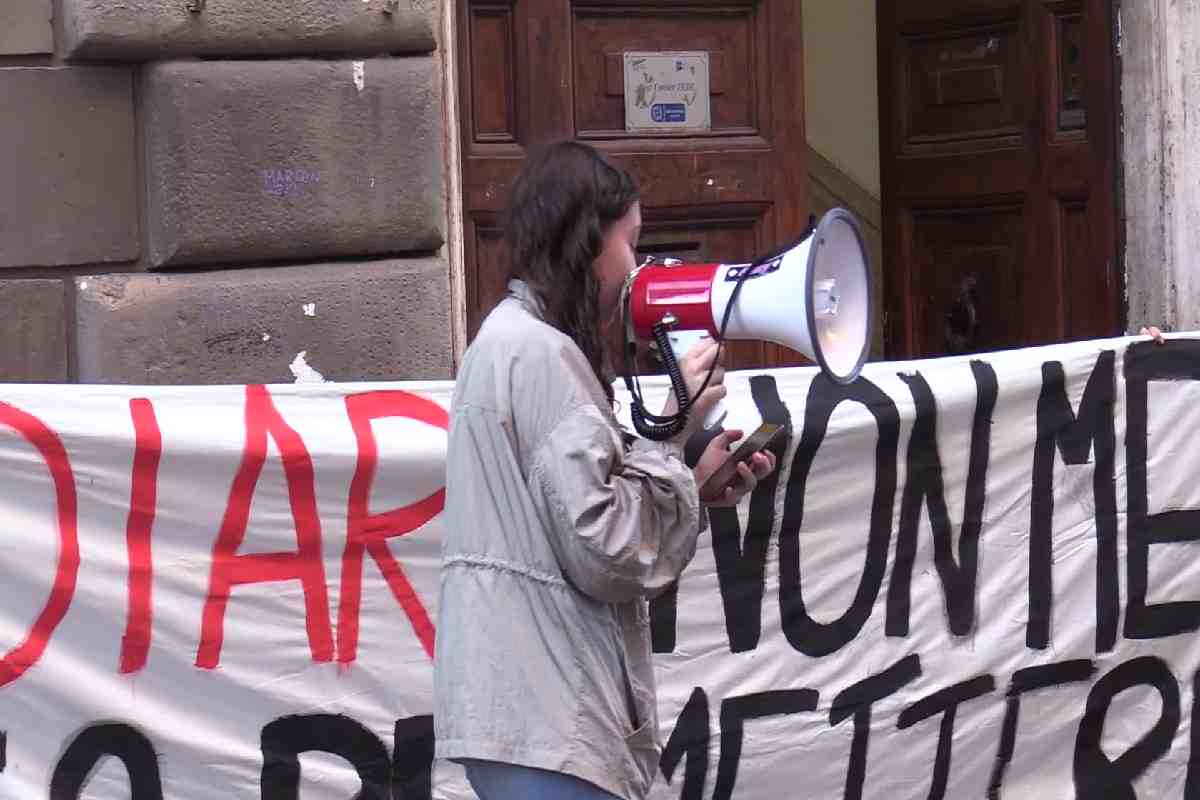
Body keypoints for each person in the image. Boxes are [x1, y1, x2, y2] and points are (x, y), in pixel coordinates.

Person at [433, 140, 776, 800]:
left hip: (526, 712)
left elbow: (562, 517)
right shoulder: (542, 357)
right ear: (589, 244)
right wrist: (672, 424)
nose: (637, 269)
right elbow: (607, 549)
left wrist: (692, 480)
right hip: (552, 718)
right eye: (632, 245)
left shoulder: (510, 341)